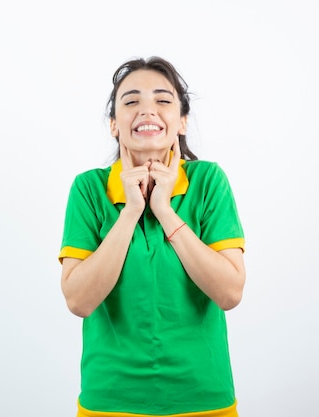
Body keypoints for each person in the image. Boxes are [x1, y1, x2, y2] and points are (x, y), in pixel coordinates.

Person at [58, 56, 246, 417]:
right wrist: (130, 212)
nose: (147, 110)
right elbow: (78, 301)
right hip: (110, 401)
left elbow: (229, 292)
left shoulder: (209, 182)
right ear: (114, 124)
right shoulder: (89, 189)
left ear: (182, 120)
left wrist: (163, 209)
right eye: (131, 102)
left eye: (163, 100)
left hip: (203, 399)